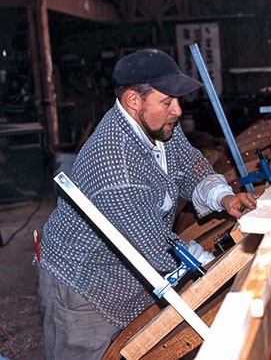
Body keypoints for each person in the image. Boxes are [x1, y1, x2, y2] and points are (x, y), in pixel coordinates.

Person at [36, 48, 257, 359]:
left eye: (177, 100)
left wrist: (223, 197)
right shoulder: (115, 164)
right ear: (133, 101)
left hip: (127, 269)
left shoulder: (159, 125)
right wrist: (221, 270)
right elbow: (156, 247)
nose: (177, 111)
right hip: (84, 284)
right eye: (167, 102)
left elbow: (189, 163)